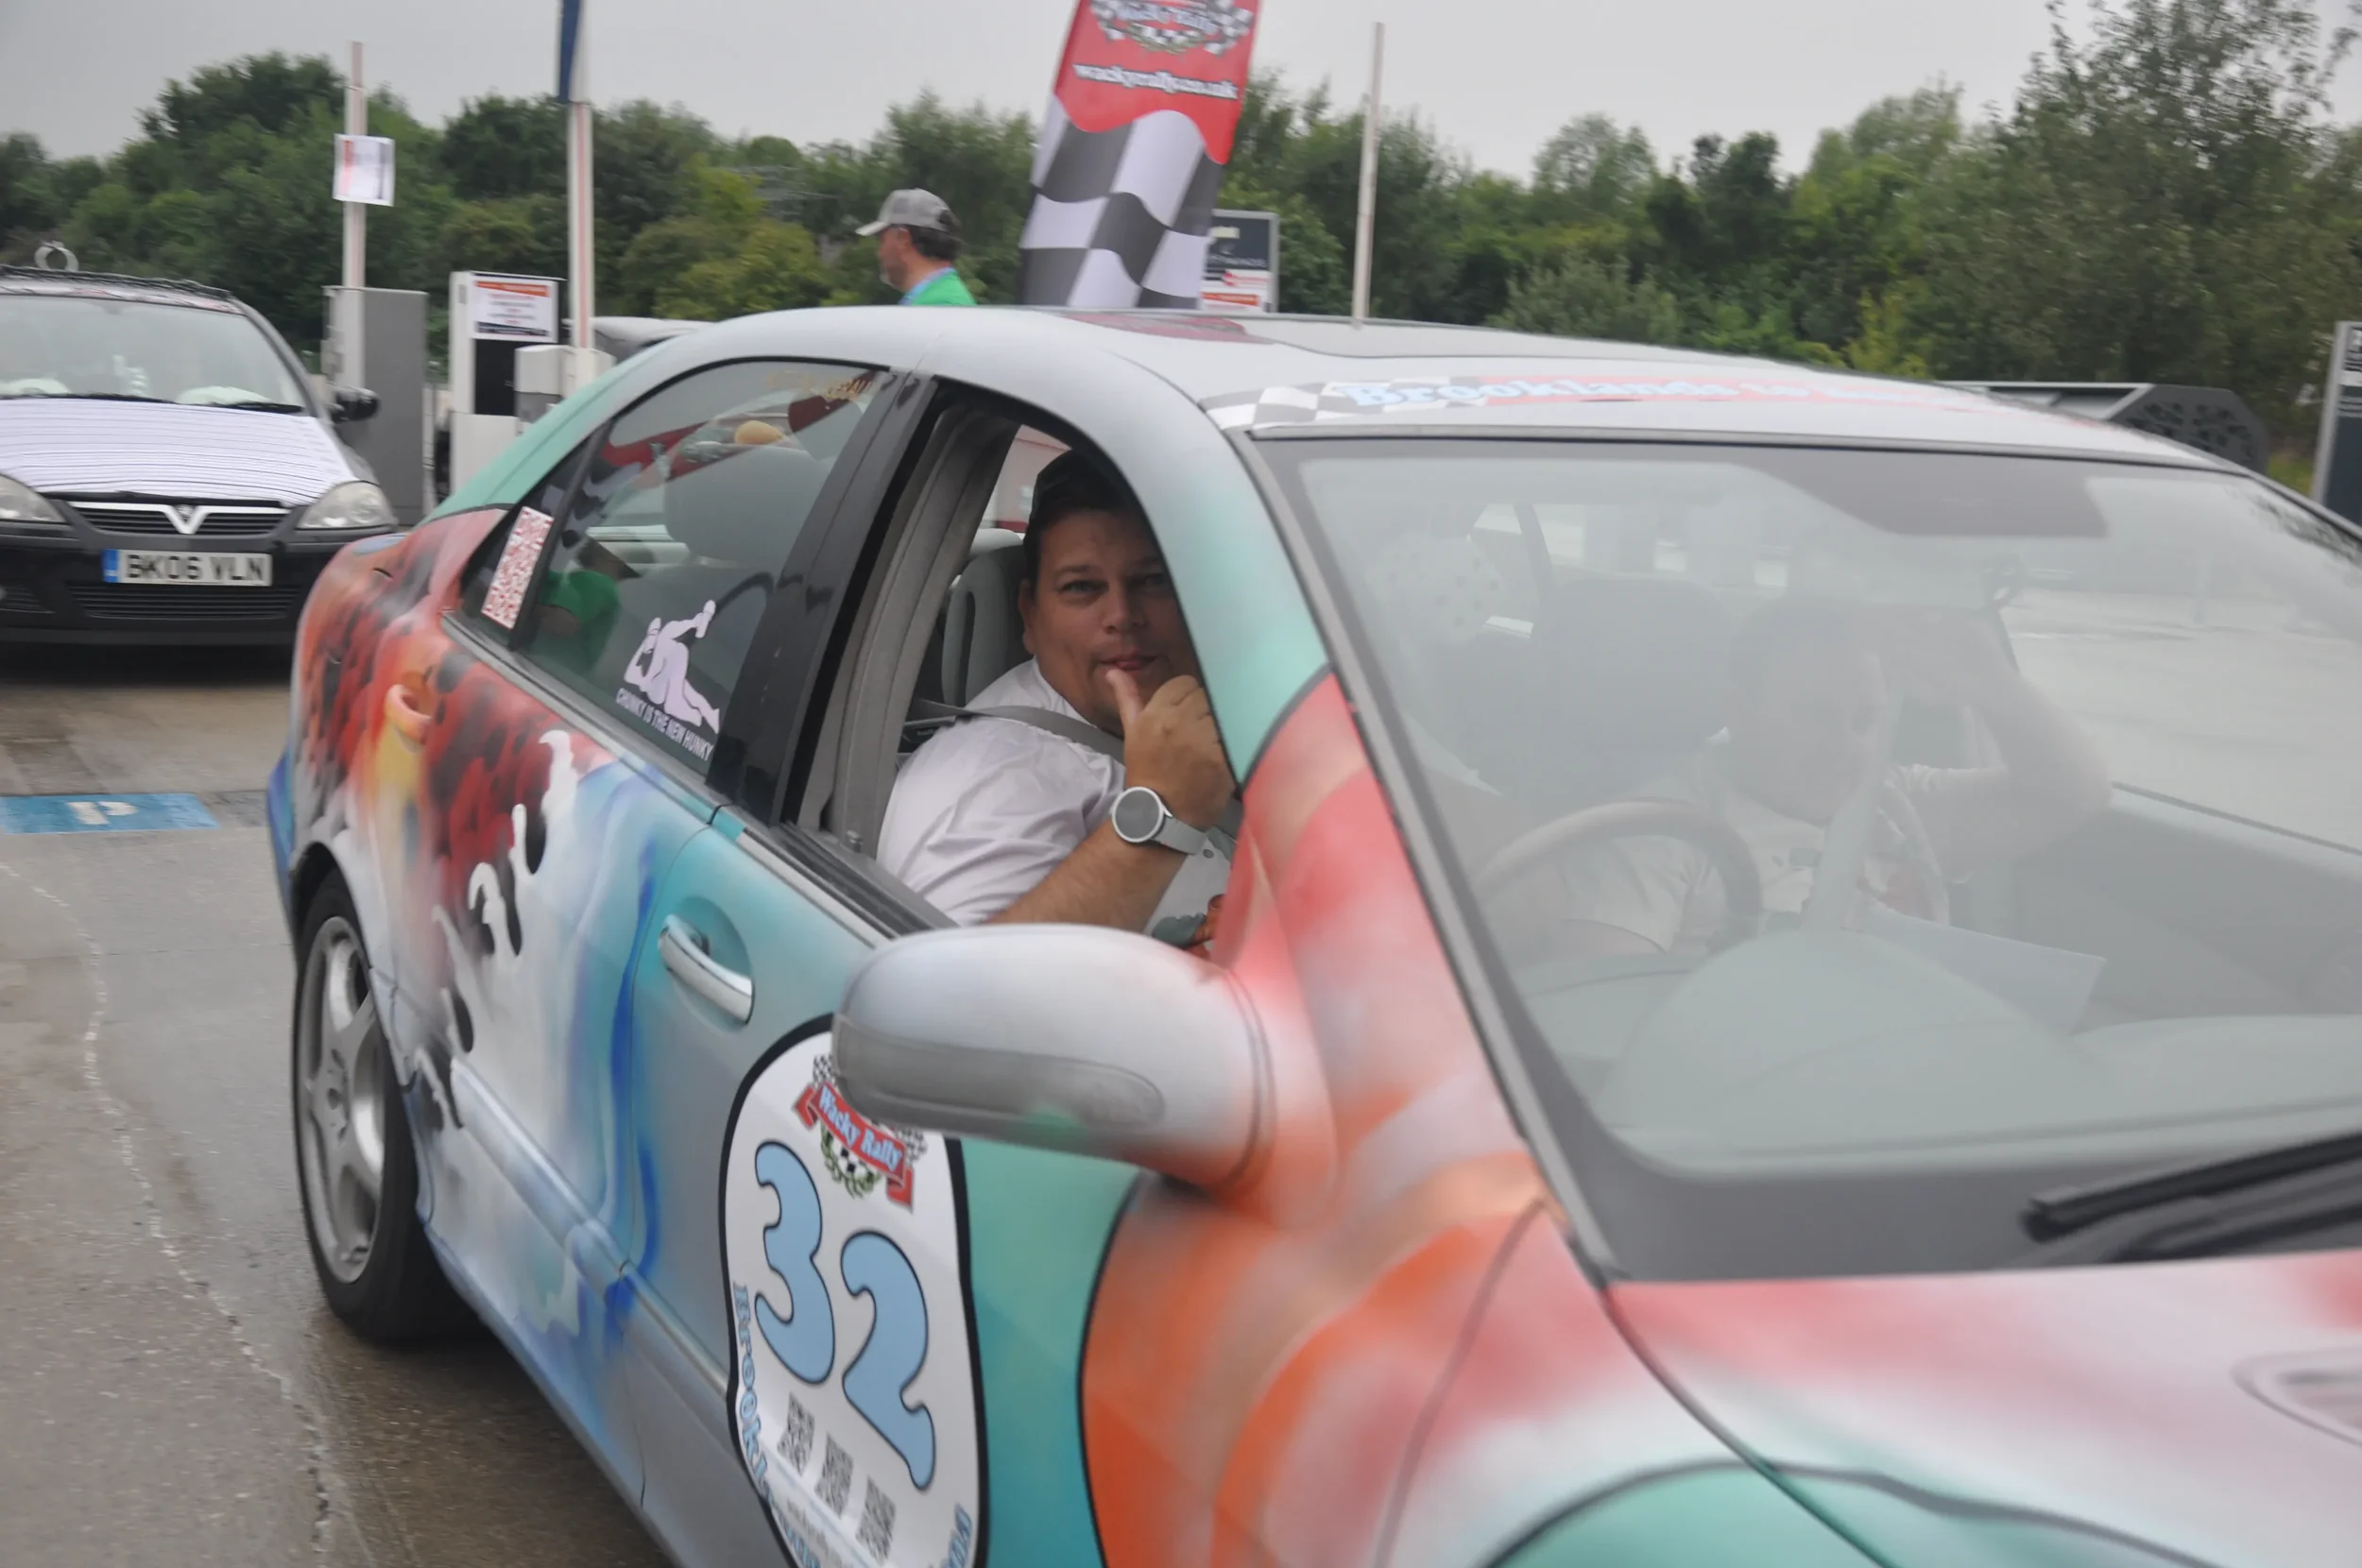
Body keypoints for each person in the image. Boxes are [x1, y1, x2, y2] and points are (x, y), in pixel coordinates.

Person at [1559, 595, 2111, 957]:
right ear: (1738, 708)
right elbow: (1604, 1011)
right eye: (1812, 715)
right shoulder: (1658, 831)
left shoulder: (1897, 803)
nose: (1842, 746)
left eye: (1864, 720)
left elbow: (2074, 795)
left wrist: (1991, 682)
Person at [878, 453, 1234, 931]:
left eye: (1153, 581)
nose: (1123, 614)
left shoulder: (1240, 706)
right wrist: (1164, 815)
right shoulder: (990, 782)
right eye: (1082, 587)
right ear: (1030, 614)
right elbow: (959, 995)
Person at [857, 190, 978, 307]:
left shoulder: (939, 305)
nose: (880, 252)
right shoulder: (940, 298)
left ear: (902, 239)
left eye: (882, 240)